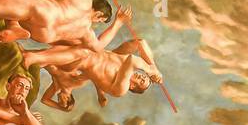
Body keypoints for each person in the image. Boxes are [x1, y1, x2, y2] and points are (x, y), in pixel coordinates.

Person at [21, 38, 162, 110]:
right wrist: (153, 66)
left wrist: (152, 71)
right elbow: (140, 43)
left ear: (132, 86)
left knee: (30, 57)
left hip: (76, 58)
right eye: (144, 77)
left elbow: (133, 60)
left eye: (142, 81)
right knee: (45, 35)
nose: (143, 76)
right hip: (82, 45)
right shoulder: (120, 57)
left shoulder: (120, 89)